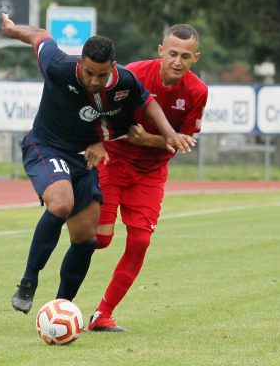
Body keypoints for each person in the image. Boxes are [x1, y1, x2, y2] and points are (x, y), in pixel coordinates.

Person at [0, 13, 195, 314]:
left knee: (87, 238)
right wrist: (13, 31)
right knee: (61, 203)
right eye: (89, 73)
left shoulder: (124, 82)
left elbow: (147, 102)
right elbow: (39, 35)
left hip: (82, 158)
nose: (94, 80)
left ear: (112, 68)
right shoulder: (58, 65)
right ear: (80, 63)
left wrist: (169, 132)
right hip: (46, 146)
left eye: (101, 75)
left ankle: (61, 307)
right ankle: (28, 282)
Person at [87, 24, 208, 332]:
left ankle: (102, 314)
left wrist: (148, 141)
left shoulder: (196, 92)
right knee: (100, 240)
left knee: (140, 241)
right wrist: (98, 140)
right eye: (172, 54)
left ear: (196, 57)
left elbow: (184, 140)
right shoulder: (135, 74)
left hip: (151, 173)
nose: (177, 61)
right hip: (114, 162)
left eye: (185, 56)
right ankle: (64, 297)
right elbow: (97, 107)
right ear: (160, 52)